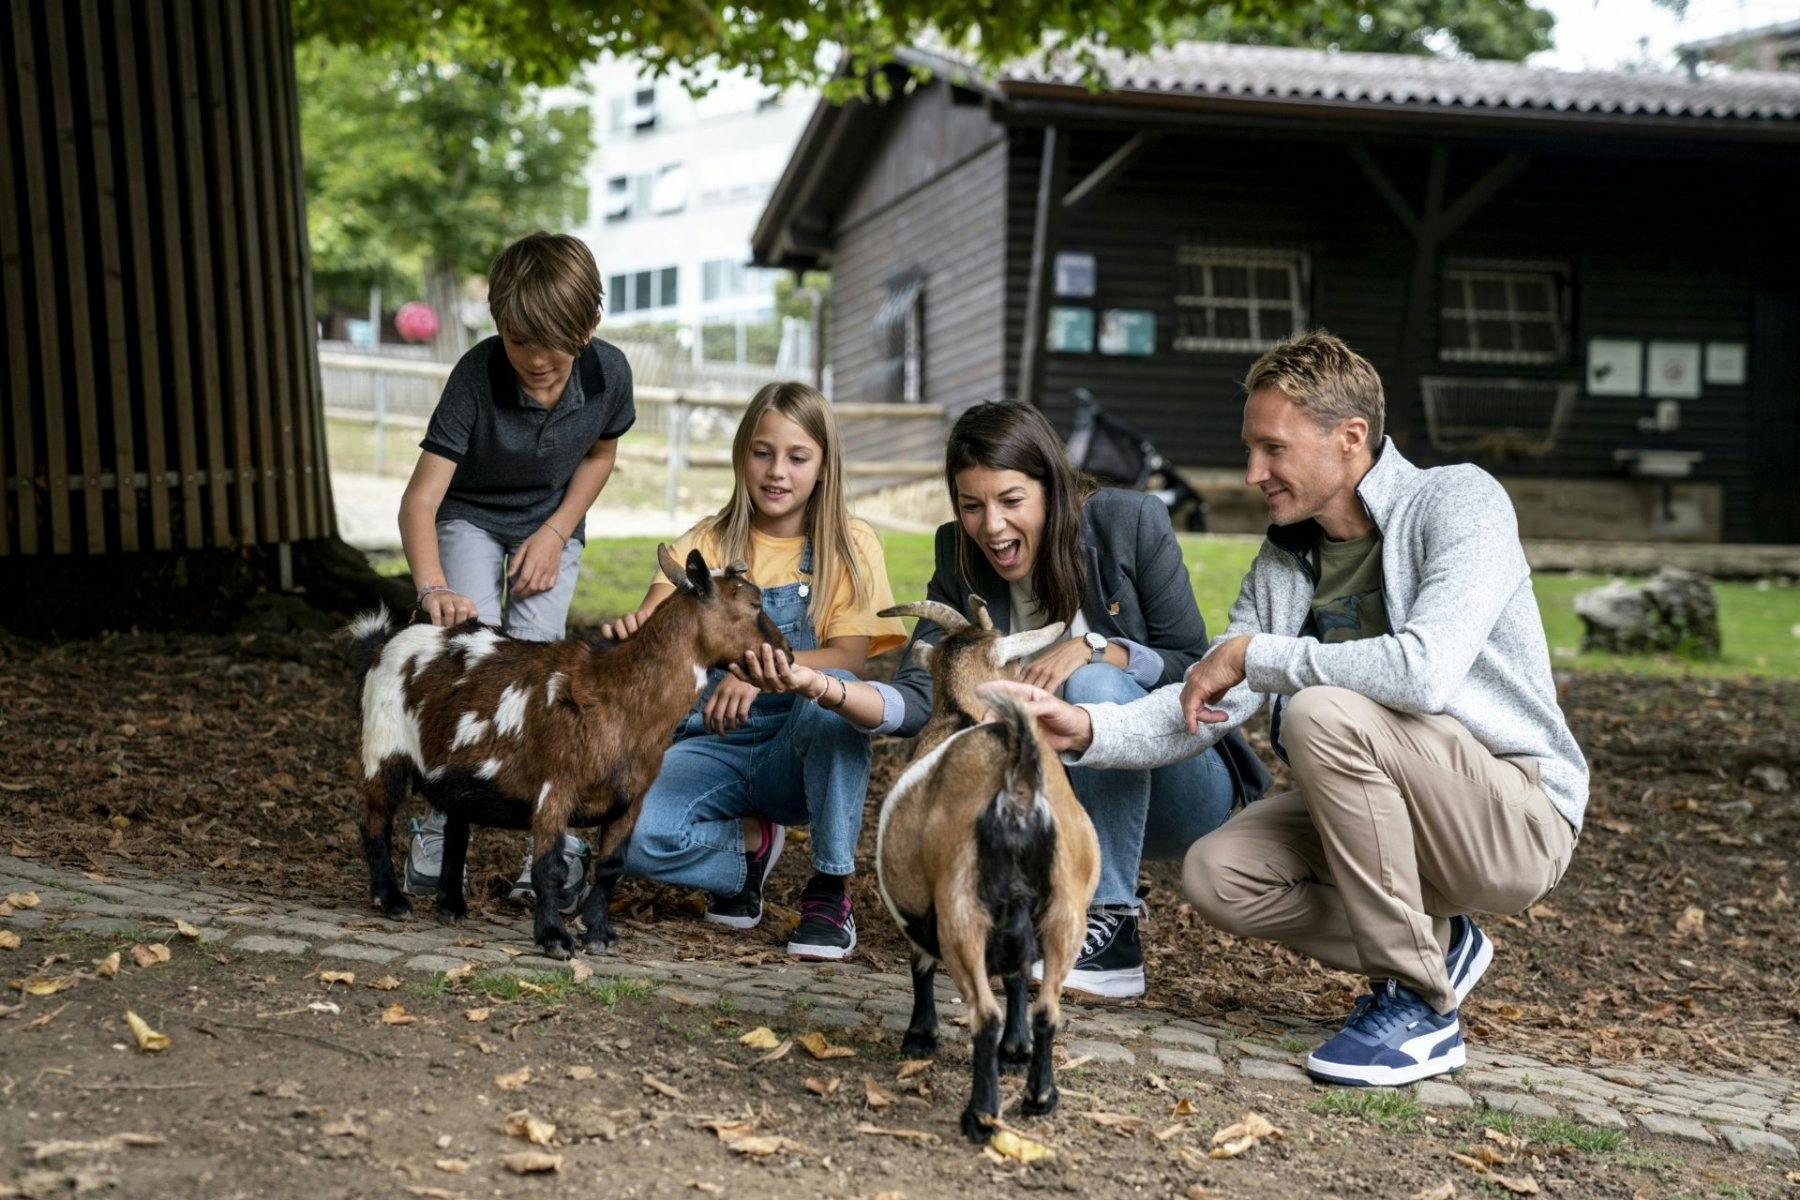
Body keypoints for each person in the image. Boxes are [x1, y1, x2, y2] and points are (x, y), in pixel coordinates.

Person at [992, 331, 1587, 1086]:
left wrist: (1258, 654)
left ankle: (1420, 1003)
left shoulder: (1459, 501)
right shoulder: (1285, 559)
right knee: (1219, 872)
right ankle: (1436, 943)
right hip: (1396, 818)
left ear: (1350, 439)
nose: (1252, 473)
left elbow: (1427, 673)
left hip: (1515, 812)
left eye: (1272, 449)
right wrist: (1091, 729)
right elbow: (1212, 694)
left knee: (1318, 712)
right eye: (1251, 449)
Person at [745, 401, 1268, 998]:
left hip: (1178, 783)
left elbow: (1192, 666)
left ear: (1054, 488)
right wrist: (828, 688)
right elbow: (924, 696)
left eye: (1011, 501)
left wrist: (1099, 650)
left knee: (1090, 687)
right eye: (972, 505)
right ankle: (1025, 910)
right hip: (1062, 808)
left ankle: (1113, 927)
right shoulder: (960, 554)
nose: (991, 525)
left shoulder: (1130, 522)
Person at [602, 382, 905, 961]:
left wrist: (762, 670)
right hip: (711, 742)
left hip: (797, 745)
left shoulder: (849, 544)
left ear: (823, 466)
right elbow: (654, 619)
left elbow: (849, 657)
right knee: (633, 836)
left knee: (839, 701)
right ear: (742, 453)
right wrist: (632, 631)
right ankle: (747, 848)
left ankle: (830, 886)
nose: (776, 471)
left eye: (797, 457)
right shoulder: (707, 541)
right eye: (762, 452)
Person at [398, 232, 635, 911]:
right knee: (474, 664)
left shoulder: (609, 373)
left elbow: (599, 456)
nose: (534, 361)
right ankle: (444, 826)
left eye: (552, 347)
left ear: (588, 327)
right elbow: (421, 499)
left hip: (549, 525)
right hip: (470, 514)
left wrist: (556, 532)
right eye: (518, 341)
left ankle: (549, 840)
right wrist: (434, 588)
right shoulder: (476, 375)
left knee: (541, 676)